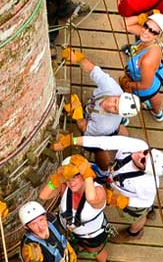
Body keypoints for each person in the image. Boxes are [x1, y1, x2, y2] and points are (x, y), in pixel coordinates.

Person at [52, 133, 163, 242]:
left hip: (135, 200)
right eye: (146, 152)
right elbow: (106, 142)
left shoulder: (148, 185)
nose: (139, 154)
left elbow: (146, 201)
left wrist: (122, 200)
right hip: (114, 180)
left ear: (145, 170)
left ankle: (134, 232)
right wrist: (72, 140)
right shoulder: (139, 146)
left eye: (143, 161)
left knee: (137, 217)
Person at [60, 46, 141, 175]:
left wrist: (77, 113)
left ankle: (103, 172)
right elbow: (92, 69)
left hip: (101, 130)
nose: (110, 104)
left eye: (115, 109)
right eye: (115, 101)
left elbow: (84, 128)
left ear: (118, 113)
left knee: (99, 149)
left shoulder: (104, 126)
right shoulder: (112, 87)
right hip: (108, 122)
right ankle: (123, 136)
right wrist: (79, 58)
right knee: (116, 128)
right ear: (119, 95)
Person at [39, 155, 110, 262]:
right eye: (68, 177)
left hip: (90, 233)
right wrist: (57, 179)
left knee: (95, 250)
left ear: (84, 175)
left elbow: (91, 199)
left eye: (76, 176)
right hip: (67, 228)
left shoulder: (98, 191)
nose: (71, 182)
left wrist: (87, 173)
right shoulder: (65, 187)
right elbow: (43, 195)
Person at [119, 13, 163, 122]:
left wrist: (128, 84)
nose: (146, 31)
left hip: (143, 86)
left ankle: (123, 118)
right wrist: (141, 16)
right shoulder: (150, 39)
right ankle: (158, 113)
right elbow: (124, 23)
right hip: (155, 78)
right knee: (154, 94)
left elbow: (145, 85)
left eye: (152, 31)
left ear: (158, 35)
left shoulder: (147, 61)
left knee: (125, 98)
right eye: (145, 26)